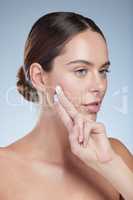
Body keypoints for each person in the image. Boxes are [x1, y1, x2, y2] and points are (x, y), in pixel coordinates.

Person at [0, 11, 132, 200]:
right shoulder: (3, 170)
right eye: (81, 71)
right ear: (39, 77)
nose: (100, 86)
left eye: (103, 71)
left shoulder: (114, 155)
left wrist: (111, 167)